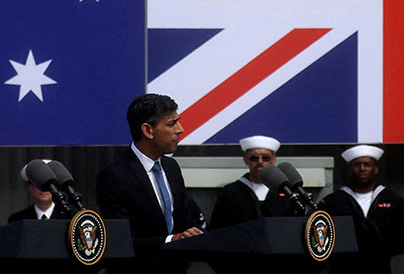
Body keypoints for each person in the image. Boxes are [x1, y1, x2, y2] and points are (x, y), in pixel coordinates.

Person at [95, 93, 205, 273]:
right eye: (171, 124)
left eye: (178, 121)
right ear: (148, 131)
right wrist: (172, 240)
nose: (180, 129)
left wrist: (193, 233)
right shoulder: (114, 176)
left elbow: (186, 219)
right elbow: (121, 240)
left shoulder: (171, 167)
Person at [317, 145, 404, 274]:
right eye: (357, 165)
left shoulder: (392, 200)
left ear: (375, 169)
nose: (362, 169)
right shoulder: (333, 201)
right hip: (343, 269)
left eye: (367, 164)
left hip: (379, 268)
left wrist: (384, 250)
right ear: (349, 170)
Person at [209, 135, 292, 230]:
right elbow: (218, 228)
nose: (260, 162)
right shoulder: (230, 192)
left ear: (273, 159)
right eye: (254, 158)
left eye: (265, 158)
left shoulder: (285, 192)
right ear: (245, 159)